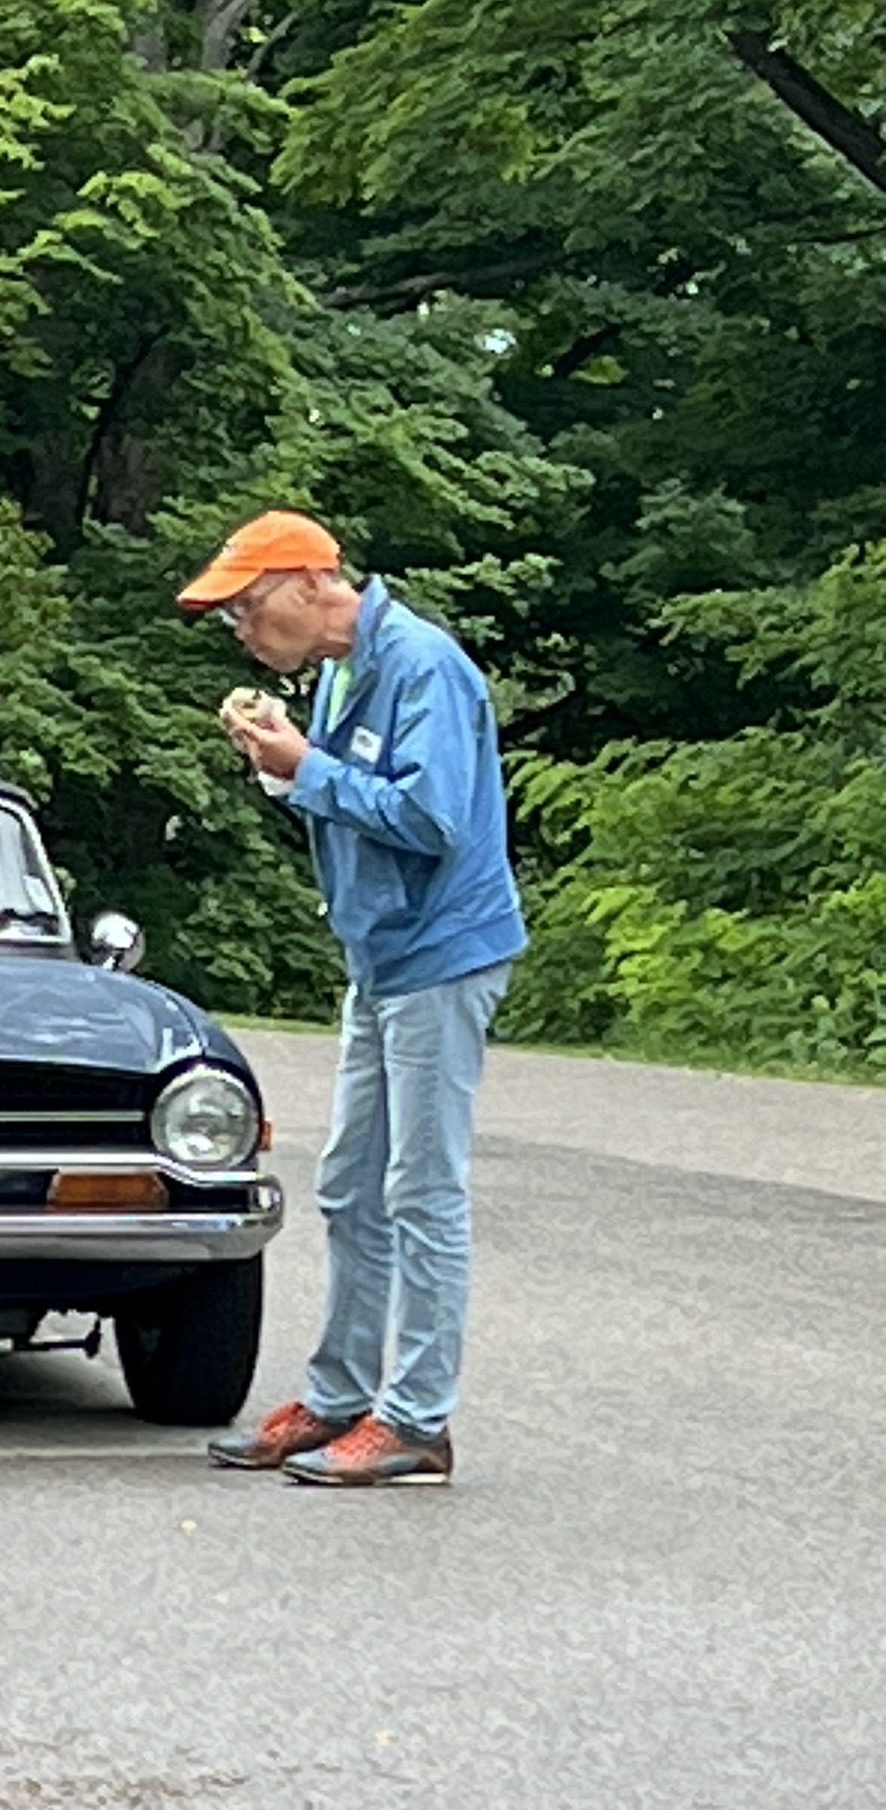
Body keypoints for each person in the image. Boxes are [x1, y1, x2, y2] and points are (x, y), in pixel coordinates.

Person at [189, 510, 525, 1488]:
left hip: (442, 952)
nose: (244, 632)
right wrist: (284, 766)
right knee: (348, 1184)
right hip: (380, 959)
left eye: (247, 609)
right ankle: (337, 1399)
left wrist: (305, 766)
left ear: (309, 583)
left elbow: (430, 818)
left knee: (422, 1190)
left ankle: (416, 1421)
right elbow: (345, 797)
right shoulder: (339, 671)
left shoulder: (424, 666)